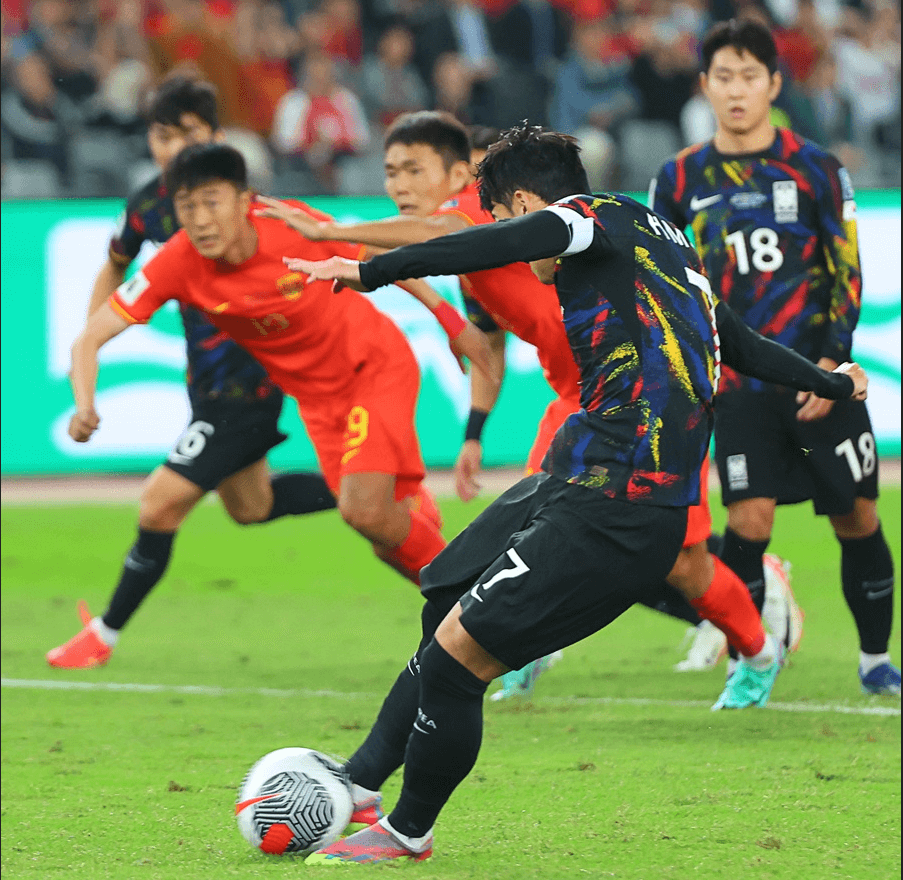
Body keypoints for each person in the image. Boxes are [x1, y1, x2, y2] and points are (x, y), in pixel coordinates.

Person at [284, 123, 868, 865]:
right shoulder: (663, 244)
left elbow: (494, 241)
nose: (511, 243)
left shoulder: (582, 219)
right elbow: (742, 344)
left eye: (505, 216)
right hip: (576, 474)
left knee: (456, 660)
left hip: (618, 503)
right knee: (444, 595)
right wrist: (829, 382)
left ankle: (406, 833)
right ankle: (363, 780)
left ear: (528, 204)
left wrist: (370, 271)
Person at [256, 110, 806, 703]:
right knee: (541, 531)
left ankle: (756, 645)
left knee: (680, 564)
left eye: (414, 170)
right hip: (580, 402)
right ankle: (514, 645)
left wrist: (334, 233)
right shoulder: (476, 257)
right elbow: (488, 346)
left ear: (461, 175)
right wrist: (474, 431)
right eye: (391, 173)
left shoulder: (480, 217)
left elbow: (435, 235)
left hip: (646, 401)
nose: (399, 185)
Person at [61, 141, 493, 670]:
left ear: (245, 200)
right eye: (188, 207)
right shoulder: (177, 262)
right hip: (318, 403)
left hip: (373, 367)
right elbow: (90, 337)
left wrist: (451, 321)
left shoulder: (288, 224)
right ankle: (480, 607)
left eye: (212, 202)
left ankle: (485, 618)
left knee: (362, 510)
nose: (201, 220)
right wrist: (84, 405)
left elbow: (380, 259)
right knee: (378, 530)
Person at [46, 76, 339, 671]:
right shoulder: (150, 204)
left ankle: (104, 633)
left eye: (188, 134)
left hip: (248, 379)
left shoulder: (239, 204)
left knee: (159, 505)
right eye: (162, 135)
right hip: (204, 380)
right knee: (250, 506)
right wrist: (93, 334)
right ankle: (372, 487)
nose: (173, 147)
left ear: (216, 137)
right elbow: (115, 265)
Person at [650, 18, 899, 696]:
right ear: (705, 86)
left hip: (817, 379)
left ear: (773, 84)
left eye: (749, 77)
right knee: (747, 522)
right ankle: (748, 664)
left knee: (857, 516)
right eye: (723, 77)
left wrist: (832, 366)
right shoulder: (679, 178)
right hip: (737, 385)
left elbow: (846, 270)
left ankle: (875, 662)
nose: (736, 91)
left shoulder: (816, 168)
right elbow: (666, 283)